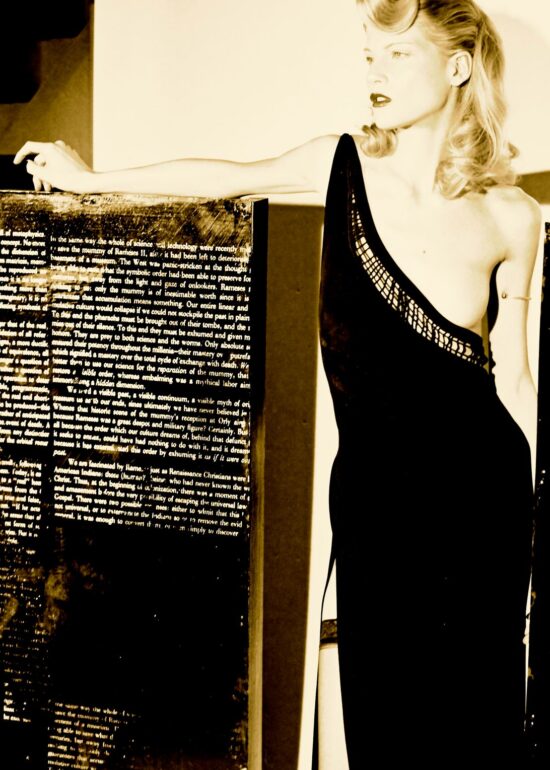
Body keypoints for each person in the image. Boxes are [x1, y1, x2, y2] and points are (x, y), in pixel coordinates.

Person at [14, 0, 542, 764]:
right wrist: (91, 177)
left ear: (457, 67)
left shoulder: (512, 217)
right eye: (369, 55)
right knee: (386, 724)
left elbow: (516, 386)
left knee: (478, 723)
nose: (376, 72)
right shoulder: (340, 166)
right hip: (376, 510)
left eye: (397, 54)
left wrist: (535, 541)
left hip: (482, 508)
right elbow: (226, 179)